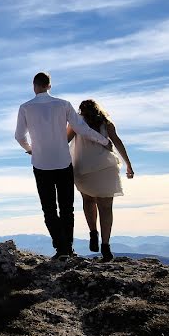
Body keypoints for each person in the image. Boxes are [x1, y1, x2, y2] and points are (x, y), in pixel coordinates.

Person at [15, 72, 111, 259]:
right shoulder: (63, 104)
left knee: (49, 209)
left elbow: (19, 136)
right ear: (49, 86)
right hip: (62, 162)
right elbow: (81, 129)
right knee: (67, 208)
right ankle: (68, 248)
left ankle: (61, 249)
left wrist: (30, 149)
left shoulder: (25, 108)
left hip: (41, 164)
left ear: (34, 86)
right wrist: (103, 141)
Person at [68, 99, 135, 262]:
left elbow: (64, 141)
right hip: (106, 168)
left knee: (88, 200)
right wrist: (128, 165)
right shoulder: (106, 123)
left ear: (80, 110)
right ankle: (106, 245)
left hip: (83, 168)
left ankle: (93, 232)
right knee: (106, 207)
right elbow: (117, 142)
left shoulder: (77, 123)